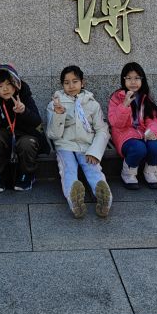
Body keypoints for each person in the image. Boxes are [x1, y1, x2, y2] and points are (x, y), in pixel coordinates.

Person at [46, 65, 112, 218]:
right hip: (65, 145)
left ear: (83, 82)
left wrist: (95, 152)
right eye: (66, 82)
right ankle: (74, 200)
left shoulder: (92, 104)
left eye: (75, 81)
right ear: (62, 85)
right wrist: (58, 114)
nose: (71, 86)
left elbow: (102, 130)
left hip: (87, 145)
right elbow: (53, 134)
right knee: (68, 169)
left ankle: (105, 199)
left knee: (93, 169)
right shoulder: (55, 103)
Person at [0, 63, 44, 192]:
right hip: (5, 134)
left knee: (27, 143)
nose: (5, 89)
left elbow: (37, 121)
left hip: (25, 133)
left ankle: (26, 174)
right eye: (0, 86)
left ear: (15, 83)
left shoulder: (25, 96)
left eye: (8, 84)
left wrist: (24, 111)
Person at [107, 61, 157, 189]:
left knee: (155, 146)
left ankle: (151, 172)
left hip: (143, 132)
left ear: (142, 79)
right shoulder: (117, 97)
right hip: (123, 133)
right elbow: (115, 123)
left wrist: (152, 131)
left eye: (137, 78)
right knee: (139, 148)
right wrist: (124, 105)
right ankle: (128, 173)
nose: (133, 82)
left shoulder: (146, 97)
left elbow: (153, 119)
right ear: (123, 80)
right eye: (129, 78)